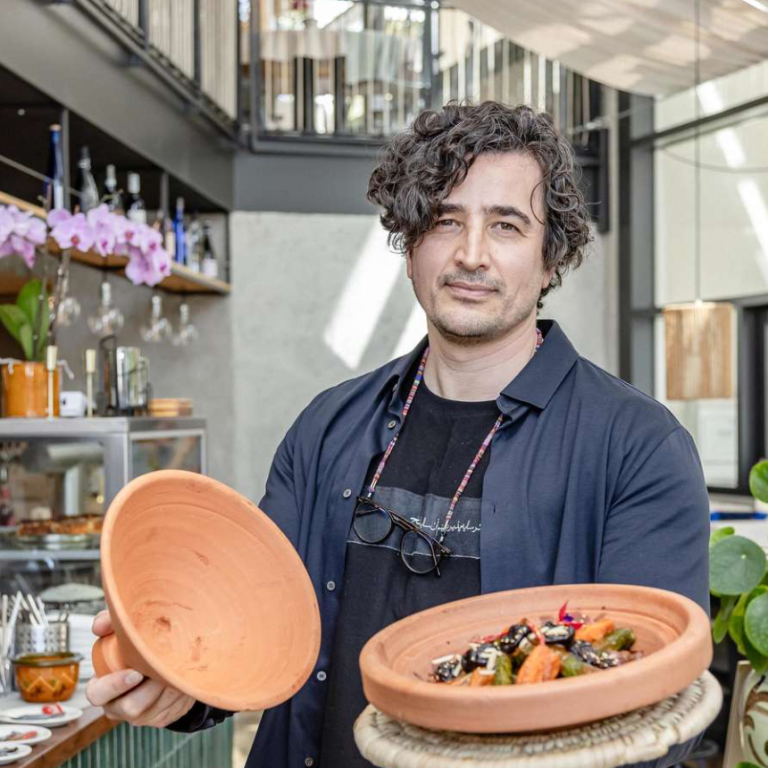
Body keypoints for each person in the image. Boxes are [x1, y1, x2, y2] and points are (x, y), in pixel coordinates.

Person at [86, 102, 710, 768]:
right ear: (410, 247)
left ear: (550, 257)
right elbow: (254, 627)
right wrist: (179, 687)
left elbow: (657, 703)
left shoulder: (638, 448)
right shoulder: (326, 427)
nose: (471, 254)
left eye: (506, 225)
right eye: (445, 220)